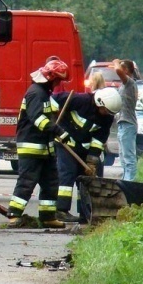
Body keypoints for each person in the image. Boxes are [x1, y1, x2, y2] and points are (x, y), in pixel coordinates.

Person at [7, 59, 70, 229]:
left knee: (51, 182)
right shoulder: (36, 93)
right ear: (50, 77)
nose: (58, 84)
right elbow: (39, 120)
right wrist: (58, 131)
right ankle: (14, 214)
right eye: (57, 80)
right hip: (31, 146)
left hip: (44, 148)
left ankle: (48, 216)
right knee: (27, 181)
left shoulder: (44, 93)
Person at [52, 87, 121, 222]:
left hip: (83, 147)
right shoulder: (79, 100)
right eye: (106, 110)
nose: (106, 114)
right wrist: (52, 119)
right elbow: (52, 101)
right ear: (99, 102)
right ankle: (61, 210)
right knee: (68, 173)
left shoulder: (107, 118)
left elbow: (98, 140)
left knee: (85, 178)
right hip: (65, 143)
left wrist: (92, 161)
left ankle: (85, 213)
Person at [114, 58, 138, 181]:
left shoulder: (130, 83)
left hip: (128, 123)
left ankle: (130, 182)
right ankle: (125, 180)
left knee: (129, 157)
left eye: (123, 68)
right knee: (122, 157)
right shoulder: (124, 85)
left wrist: (115, 62)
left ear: (127, 70)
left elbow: (117, 69)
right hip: (122, 123)